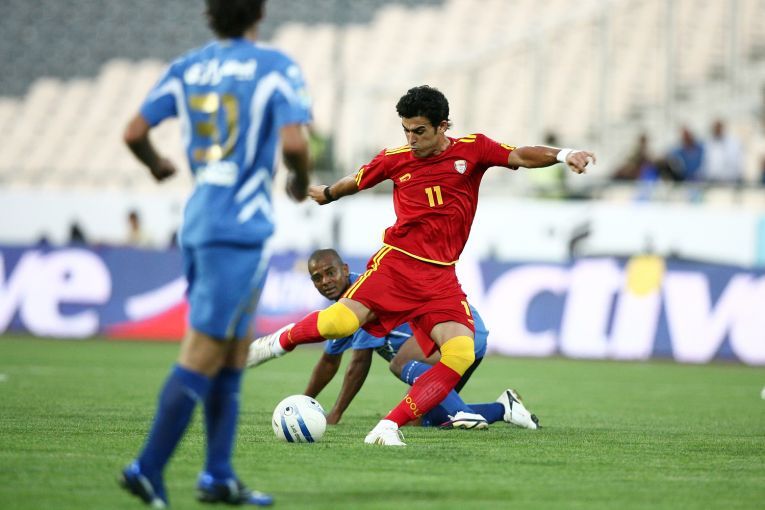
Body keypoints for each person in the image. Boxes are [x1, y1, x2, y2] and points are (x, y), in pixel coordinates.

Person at [249, 85, 592, 446]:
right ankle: (277, 342)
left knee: (460, 352)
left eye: (419, 131)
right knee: (340, 323)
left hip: (440, 277)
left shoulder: (473, 149)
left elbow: (520, 155)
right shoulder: (395, 159)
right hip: (397, 265)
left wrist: (564, 154)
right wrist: (329, 193)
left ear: (443, 126)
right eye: (406, 130)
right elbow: (358, 180)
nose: (411, 139)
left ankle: (387, 427)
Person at [118, 0, 312, 507]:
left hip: (201, 219)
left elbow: (134, 132)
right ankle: (146, 468)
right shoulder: (275, 67)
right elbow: (295, 144)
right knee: (204, 351)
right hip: (238, 229)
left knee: (232, 352)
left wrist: (157, 164)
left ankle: (218, 476)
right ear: (259, 14)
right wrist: (299, 180)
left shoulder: (188, 67)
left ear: (210, 16)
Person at [248, 249, 538, 430]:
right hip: (449, 346)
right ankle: (505, 408)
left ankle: (461, 410)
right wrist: (305, 400)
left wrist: (335, 413)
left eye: (330, 273)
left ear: (345, 270)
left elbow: (358, 364)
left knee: (400, 363)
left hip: (458, 331)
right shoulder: (342, 311)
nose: (325, 281)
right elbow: (329, 362)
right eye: (317, 278)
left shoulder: (364, 296)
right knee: (423, 420)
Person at [700, 119, 743, 184]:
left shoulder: (733, 143)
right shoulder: (707, 143)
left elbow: (736, 162)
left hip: (729, 181)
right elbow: (706, 163)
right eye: (715, 128)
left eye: (718, 127)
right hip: (711, 181)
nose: (717, 130)